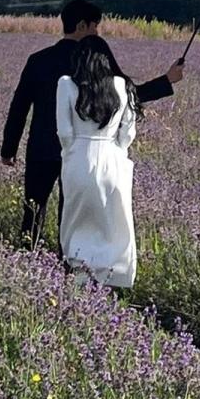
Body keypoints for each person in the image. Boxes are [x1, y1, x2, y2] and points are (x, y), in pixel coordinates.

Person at [0, 0, 183, 253]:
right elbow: (127, 95)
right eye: (95, 26)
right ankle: (69, 261)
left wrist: (8, 149)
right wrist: (166, 80)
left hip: (41, 148)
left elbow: (19, 107)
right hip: (80, 152)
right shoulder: (95, 61)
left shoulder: (38, 60)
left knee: (33, 207)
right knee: (72, 211)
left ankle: (25, 255)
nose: (97, 32)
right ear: (81, 25)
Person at [56, 36, 139, 286]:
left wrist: (71, 153)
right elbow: (128, 133)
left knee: (76, 218)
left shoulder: (66, 84)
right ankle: (112, 276)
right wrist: (117, 149)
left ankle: (79, 273)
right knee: (114, 220)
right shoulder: (122, 85)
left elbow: (64, 132)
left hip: (80, 155)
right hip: (113, 158)